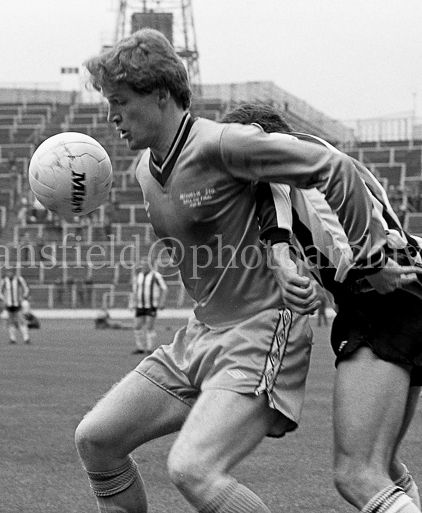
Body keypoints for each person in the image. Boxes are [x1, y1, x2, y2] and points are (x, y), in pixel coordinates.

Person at [75, 29, 320, 513]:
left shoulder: (222, 143)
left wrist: (291, 254)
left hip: (262, 327)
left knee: (192, 469)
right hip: (201, 335)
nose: (111, 116)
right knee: (96, 439)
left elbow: (318, 168)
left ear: (161, 94)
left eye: (120, 101)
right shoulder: (144, 171)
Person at [221, 103, 422, 512]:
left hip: (378, 301)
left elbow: (276, 234)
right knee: (384, 468)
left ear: (257, 137)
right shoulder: (343, 166)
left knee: (355, 474)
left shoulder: (275, 168)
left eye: (233, 148)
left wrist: (289, 270)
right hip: (421, 300)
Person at [129, 259, 168, 354]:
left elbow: (164, 289)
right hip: (140, 305)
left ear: (150, 266)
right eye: (142, 265)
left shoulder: (156, 276)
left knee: (150, 326)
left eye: (145, 265)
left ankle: (150, 349)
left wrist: (161, 302)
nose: (144, 267)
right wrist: (132, 302)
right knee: (137, 326)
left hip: (151, 305)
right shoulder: (139, 276)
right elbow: (135, 291)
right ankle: (140, 348)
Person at [0, 268, 31, 345]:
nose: (9, 273)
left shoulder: (19, 279)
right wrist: (3, 299)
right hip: (9, 304)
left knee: (21, 320)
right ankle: (12, 339)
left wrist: (23, 297)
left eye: (10, 272)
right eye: (8, 272)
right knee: (11, 322)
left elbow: (26, 288)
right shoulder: (4, 280)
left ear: (13, 272)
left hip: (17, 304)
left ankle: (26, 338)